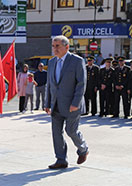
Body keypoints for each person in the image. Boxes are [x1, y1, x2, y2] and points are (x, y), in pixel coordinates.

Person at [45, 35, 89, 169]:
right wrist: (47, 103)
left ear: (66, 47)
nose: (55, 49)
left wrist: (76, 103)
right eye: (53, 46)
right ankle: (61, 159)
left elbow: (81, 83)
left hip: (72, 105)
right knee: (56, 133)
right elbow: (50, 84)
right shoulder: (52, 62)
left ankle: (83, 149)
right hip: (56, 104)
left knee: (71, 130)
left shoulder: (77, 61)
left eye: (57, 46)